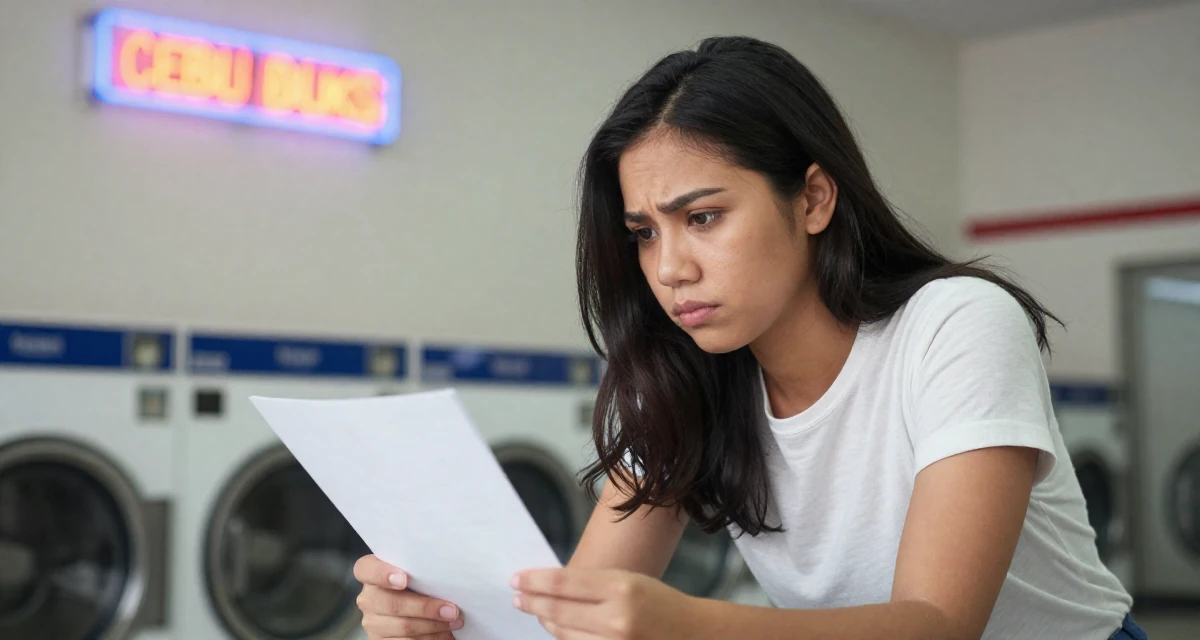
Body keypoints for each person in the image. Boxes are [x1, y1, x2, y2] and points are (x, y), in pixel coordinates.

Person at [352, 36, 1145, 640]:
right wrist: (446, 623)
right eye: (644, 233)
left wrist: (686, 625)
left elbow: (937, 625)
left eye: (703, 217)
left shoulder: (957, 324)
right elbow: (581, 618)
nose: (670, 269)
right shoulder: (690, 378)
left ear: (814, 198)